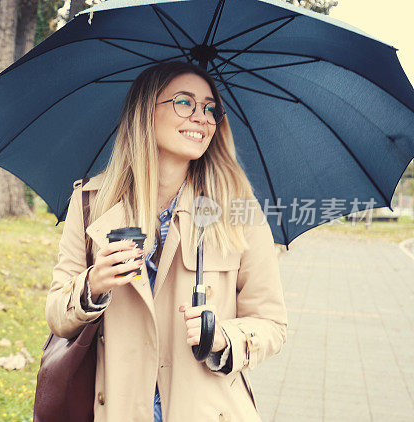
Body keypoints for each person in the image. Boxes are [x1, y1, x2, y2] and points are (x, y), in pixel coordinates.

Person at [45, 61, 288, 421]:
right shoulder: (91, 204)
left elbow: (271, 322)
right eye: (184, 102)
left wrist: (224, 337)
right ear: (146, 111)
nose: (202, 118)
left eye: (210, 109)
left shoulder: (236, 208)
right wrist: (93, 284)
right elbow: (56, 315)